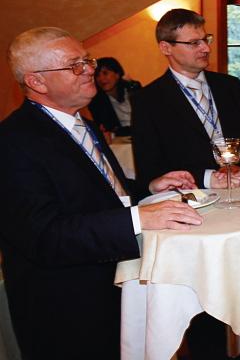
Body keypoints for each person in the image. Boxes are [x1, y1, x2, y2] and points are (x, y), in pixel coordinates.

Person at [0, 27, 203, 360]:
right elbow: (45, 236)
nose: (89, 70)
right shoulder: (13, 142)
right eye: (74, 65)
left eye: (88, 60)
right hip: (67, 310)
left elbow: (103, 192)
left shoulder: (84, 123)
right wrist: (138, 218)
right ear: (37, 81)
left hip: (112, 287)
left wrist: (149, 188)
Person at [131, 8, 240, 359]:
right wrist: (207, 176)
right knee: (205, 298)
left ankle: (237, 346)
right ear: (166, 48)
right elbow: (150, 169)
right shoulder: (149, 100)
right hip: (193, 212)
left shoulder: (228, 85)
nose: (205, 48)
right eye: (194, 42)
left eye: (206, 39)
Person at [88, 56, 140, 137]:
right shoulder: (96, 101)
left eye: (105, 73)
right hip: (122, 138)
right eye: (97, 75)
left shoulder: (133, 88)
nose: (101, 79)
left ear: (117, 74)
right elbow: (107, 128)